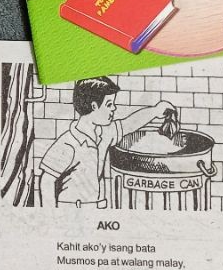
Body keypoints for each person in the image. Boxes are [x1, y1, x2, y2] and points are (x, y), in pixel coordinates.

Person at [38, 76, 174, 207]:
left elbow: (128, 124)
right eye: (109, 104)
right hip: (71, 209)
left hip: (95, 207)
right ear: (94, 106)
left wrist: (156, 110)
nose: (114, 108)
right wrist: (50, 216)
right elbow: (46, 181)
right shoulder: (68, 144)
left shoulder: (105, 132)